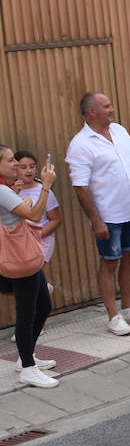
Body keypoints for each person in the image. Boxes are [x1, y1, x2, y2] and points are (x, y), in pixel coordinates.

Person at [66, 91, 130, 335]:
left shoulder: (120, 131)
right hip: (108, 215)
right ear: (92, 111)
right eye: (106, 106)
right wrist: (96, 220)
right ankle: (113, 315)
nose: (112, 109)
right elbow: (80, 187)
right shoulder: (80, 145)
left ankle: (128, 308)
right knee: (109, 263)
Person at [0, 146, 59, 388]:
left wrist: (19, 197)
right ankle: (27, 368)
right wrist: (45, 185)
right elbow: (35, 215)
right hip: (20, 257)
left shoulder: (6, 188)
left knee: (43, 303)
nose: (15, 163)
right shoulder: (2, 190)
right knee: (27, 313)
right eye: (10, 160)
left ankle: (27, 355)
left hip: (25, 255)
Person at [14, 150, 61, 268]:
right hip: (18, 243)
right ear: (15, 169)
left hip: (42, 241)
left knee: (33, 272)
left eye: (32, 166)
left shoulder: (44, 190)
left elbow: (56, 219)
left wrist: (37, 235)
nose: (29, 170)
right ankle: (45, 287)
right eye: (23, 167)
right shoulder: (11, 190)